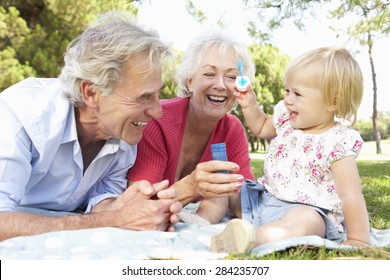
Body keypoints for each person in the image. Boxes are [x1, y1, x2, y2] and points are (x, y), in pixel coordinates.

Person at [0, 11, 182, 241]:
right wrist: (113, 221)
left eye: (157, 95)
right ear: (92, 93)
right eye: (144, 97)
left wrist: (127, 207)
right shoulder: (21, 114)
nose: (157, 112)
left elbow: (100, 202)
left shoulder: (124, 135)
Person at [211, 47, 371, 254]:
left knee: (307, 223)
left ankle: (250, 238)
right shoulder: (287, 120)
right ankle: (201, 220)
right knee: (227, 185)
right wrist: (250, 104)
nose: (288, 99)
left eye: (297, 94)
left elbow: (351, 195)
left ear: (333, 102)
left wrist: (358, 238)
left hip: (304, 210)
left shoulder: (337, 142)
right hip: (263, 199)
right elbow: (260, 127)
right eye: (288, 91)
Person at [127, 30, 256, 224]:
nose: (220, 85)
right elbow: (139, 205)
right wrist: (192, 186)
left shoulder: (232, 130)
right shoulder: (157, 119)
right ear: (190, 81)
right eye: (209, 74)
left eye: (231, 77)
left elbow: (248, 204)